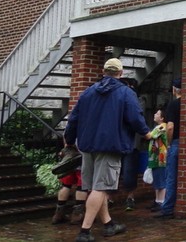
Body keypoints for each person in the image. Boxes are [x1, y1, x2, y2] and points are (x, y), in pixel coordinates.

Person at [64, 58, 151, 242]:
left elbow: (73, 119)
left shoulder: (87, 92)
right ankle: (84, 232)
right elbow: (135, 117)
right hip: (110, 146)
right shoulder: (126, 93)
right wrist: (146, 133)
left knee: (96, 187)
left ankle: (109, 224)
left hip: (87, 146)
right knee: (101, 187)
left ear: (103, 71)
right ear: (120, 73)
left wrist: (69, 141)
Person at [155, 78, 182, 219]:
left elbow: (170, 127)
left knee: (170, 177)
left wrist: (169, 143)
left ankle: (167, 209)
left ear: (174, 89)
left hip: (176, 142)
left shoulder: (173, 104)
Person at [118, 77, 144, 212]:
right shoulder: (117, 100)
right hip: (116, 142)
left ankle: (130, 197)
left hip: (132, 143)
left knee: (129, 171)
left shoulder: (137, 100)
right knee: (114, 172)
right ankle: (108, 197)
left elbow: (137, 118)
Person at [147, 106, 168, 212]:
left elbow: (149, 136)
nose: (155, 115)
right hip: (155, 158)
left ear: (162, 118)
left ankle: (161, 202)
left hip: (160, 158)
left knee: (161, 180)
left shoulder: (162, 127)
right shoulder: (158, 127)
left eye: (157, 114)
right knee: (157, 180)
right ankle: (157, 200)